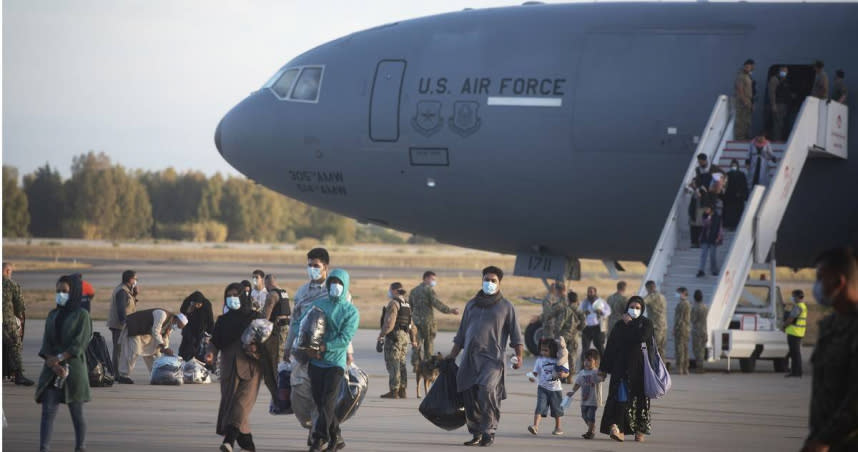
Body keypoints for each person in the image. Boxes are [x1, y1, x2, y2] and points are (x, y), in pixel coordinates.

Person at [449, 266, 523, 447]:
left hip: (492, 360)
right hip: (469, 359)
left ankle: (489, 431)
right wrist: (451, 356)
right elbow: (461, 333)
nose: (489, 283)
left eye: (493, 280)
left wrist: (519, 356)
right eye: (486, 279)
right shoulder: (471, 304)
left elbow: (516, 335)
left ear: (499, 283)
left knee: (486, 391)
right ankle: (476, 433)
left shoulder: (506, 306)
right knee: (469, 394)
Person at [801, 248, 858, 452]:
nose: (816, 286)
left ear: (838, 282)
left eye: (820, 278)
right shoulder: (830, 326)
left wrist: (824, 440)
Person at [302, 269, 359, 452]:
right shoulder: (319, 304)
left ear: (345, 286)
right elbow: (305, 325)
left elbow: (344, 339)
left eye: (339, 283)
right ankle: (336, 437)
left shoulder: (351, 312)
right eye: (332, 282)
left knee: (328, 401)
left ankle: (319, 439)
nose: (335, 286)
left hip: (335, 363)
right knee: (320, 403)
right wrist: (307, 348)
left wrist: (324, 347)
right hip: (316, 361)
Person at [36, 274, 92, 452]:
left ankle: (80, 447)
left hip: (73, 370)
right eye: (58, 291)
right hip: (52, 371)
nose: (60, 294)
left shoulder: (82, 315)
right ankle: (44, 448)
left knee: (77, 414)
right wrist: (53, 363)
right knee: (47, 413)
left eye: (64, 291)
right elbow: (46, 344)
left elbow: (79, 343)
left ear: (73, 292)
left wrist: (60, 358)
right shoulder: (53, 315)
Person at [205, 283, 262, 452]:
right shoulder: (223, 321)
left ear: (243, 297)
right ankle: (248, 445)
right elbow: (215, 342)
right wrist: (211, 353)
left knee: (240, 404)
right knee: (231, 405)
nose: (232, 299)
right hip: (229, 368)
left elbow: (267, 340)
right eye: (228, 296)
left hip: (251, 368)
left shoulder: (255, 318)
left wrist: (256, 348)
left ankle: (229, 441)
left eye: (235, 295)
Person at [599, 296, 655, 443]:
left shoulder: (646, 324)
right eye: (632, 307)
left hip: (639, 370)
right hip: (621, 368)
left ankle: (639, 430)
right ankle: (620, 430)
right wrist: (603, 369)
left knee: (639, 401)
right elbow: (610, 347)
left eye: (637, 307)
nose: (634, 310)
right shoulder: (619, 325)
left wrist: (630, 324)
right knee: (621, 399)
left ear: (642, 309)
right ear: (627, 307)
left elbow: (641, 338)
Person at [116, 308, 187, 384]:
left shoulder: (171, 325)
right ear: (177, 319)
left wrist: (166, 348)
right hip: (135, 326)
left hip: (145, 332)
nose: (177, 327)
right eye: (179, 325)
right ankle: (124, 375)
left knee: (152, 351)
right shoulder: (162, 315)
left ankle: (156, 374)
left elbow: (165, 337)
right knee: (133, 351)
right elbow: (155, 331)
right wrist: (164, 347)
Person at [409, 271, 459, 364]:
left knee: (416, 344)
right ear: (426, 278)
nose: (434, 282)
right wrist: (450, 310)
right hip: (427, 323)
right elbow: (437, 303)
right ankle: (428, 366)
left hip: (416, 322)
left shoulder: (413, 291)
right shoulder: (429, 290)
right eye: (432, 279)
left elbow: (410, 307)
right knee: (429, 346)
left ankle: (416, 366)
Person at [379, 282, 417, 399]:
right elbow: (411, 324)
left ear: (395, 291)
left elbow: (390, 322)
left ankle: (394, 390)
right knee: (402, 362)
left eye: (390, 290)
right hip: (404, 336)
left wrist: (382, 335)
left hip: (394, 337)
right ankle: (402, 390)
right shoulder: (407, 305)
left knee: (393, 362)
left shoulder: (394, 303)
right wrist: (413, 339)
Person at [260, 274, 290, 412]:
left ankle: (280, 401)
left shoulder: (272, 295)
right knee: (280, 365)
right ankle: (280, 400)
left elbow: (265, 316)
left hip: (275, 333)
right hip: (285, 332)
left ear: (267, 283)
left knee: (273, 368)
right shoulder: (284, 293)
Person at [527, 338, 568, 436]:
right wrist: (532, 377)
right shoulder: (540, 360)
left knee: (557, 409)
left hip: (556, 389)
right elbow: (535, 372)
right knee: (539, 407)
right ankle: (535, 426)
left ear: (553, 350)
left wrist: (563, 375)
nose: (543, 352)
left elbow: (567, 372)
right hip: (542, 388)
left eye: (546, 350)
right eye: (542, 350)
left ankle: (558, 427)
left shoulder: (559, 359)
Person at [3, 262, 34, 385]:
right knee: (15, 346)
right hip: (7, 321)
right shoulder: (11, 285)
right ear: (7, 271)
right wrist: (20, 320)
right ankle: (18, 375)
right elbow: (20, 307)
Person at [568, 349, 603, 440]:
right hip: (584, 399)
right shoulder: (582, 373)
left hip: (594, 400)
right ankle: (591, 427)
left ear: (596, 362)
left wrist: (603, 374)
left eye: (590, 360)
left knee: (591, 415)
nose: (587, 362)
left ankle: (590, 432)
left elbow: (602, 378)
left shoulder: (596, 372)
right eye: (585, 360)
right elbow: (578, 384)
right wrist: (572, 392)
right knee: (584, 415)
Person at [107, 270, 137, 376]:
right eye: (135, 279)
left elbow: (128, 304)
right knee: (118, 349)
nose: (136, 281)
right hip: (119, 325)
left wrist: (134, 294)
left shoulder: (125, 290)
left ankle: (117, 371)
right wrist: (124, 323)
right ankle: (116, 373)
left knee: (120, 349)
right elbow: (121, 309)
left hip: (120, 324)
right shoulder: (122, 291)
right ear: (130, 279)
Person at [178, 291, 214, 362]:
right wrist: (190, 308)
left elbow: (210, 319)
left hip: (201, 329)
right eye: (196, 304)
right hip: (189, 328)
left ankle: (197, 362)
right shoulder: (188, 301)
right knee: (185, 346)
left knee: (198, 348)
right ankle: (182, 361)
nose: (197, 306)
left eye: (199, 304)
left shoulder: (206, 304)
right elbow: (182, 311)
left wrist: (211, 332)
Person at [688, 154, 715, 248]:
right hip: (696, 201)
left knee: (700, 223)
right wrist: (696, 187)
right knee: (694, 222)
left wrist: (710, 205)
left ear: (704, 160)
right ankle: (694, 241)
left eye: (701, 161)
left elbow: (710, 190)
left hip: (704, 201)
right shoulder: (698, 170)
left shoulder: (711, 172)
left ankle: (699, 241)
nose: (700, 163)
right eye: (699, 161)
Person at [579, 287, 611, 362]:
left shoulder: (601, 302)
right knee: (585, 349)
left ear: (595, 293)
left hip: (598, 327)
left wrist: (601, 311)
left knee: (600, 347)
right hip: (587, 327)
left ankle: (604, 365)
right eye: (588, 292)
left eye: (591, 292)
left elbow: (608, 311)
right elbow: (579, 311)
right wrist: (584, 313)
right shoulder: (584, 302)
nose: (589, 293)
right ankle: (583, 367)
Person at [783, 289, 807, 378]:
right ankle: (797, 372)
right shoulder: (803, 306)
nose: (792, 298)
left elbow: (791, 319)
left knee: (794, 354)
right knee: (795, 353)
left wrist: (784, 326)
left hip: (794, 333)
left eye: (793, 296)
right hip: (798, 333)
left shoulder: (798, 307)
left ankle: (795, 372)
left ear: (797, 297)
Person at [696, 203, 723, 277]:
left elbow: (719, 228)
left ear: (711, 209)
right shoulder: (705, 216)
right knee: (703, 254)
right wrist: (707, 218)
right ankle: (701, 270)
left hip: (713, 238)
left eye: (707, 209)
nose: (706, 210)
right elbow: (703, 224)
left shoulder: (717, 217)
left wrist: (718, 237)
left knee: (712, 255)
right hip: (705, 238)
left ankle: (714, 270)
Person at [723, 159, 749, 230]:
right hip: (729, 197)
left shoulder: (741, 174)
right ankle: (730, 226)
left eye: (734, 165)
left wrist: (742, 194)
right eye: (732, 165)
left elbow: (744, 185)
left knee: (737, 213)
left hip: (738, 198)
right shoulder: (727, 175)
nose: (733, 167)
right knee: (730, 213)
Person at [768, 66, 792, 141]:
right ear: (779, 71)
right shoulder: (774, 79)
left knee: (782, 124)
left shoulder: (785, 80)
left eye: (786, 71)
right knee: (777, 123)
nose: (784, 73)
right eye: (783, 71)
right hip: (777, 104)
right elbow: (772, 93)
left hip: (784, 105)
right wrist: (773, 105)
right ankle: (776, 139)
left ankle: (780, 138)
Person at [643, 281, 667, 355]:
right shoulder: (662, 296)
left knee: (653, 349)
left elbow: (641, 302)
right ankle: (662, 365)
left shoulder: (651, 297)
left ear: (648, 288)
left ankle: (654, 366)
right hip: (663, 326)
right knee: (662, 350)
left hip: (655, 326)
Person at [734, 59, 755, 140]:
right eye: (747, 67)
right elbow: (740, 90)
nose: (749, 68)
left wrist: (750, 103)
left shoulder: (748, 76)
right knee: (741, 121)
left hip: (748, 100)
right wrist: (745, 101)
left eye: (750, 67)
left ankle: (745, 136)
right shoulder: (741, 76)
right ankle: (740, 137)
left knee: (747, 121)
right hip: (742, 102)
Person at [673, 287, 692, 375]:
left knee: (680, 349)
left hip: (681, 329)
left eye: (678, 292)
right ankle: (685, 368)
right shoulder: (687, 303)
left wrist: (675, 328)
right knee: (685, 348)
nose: (677, 294)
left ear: (683, 293)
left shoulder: (682, 304)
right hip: (686, 329)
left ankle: (680, 368)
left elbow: (679, 319)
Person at [690, 290, 709, 373]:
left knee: (697, 349)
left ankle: (699, 367)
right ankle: (701, 366)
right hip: (704, 330)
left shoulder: (694, 307)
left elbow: (693, 319)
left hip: (697, 331)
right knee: (702, 349)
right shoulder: (705, 307)